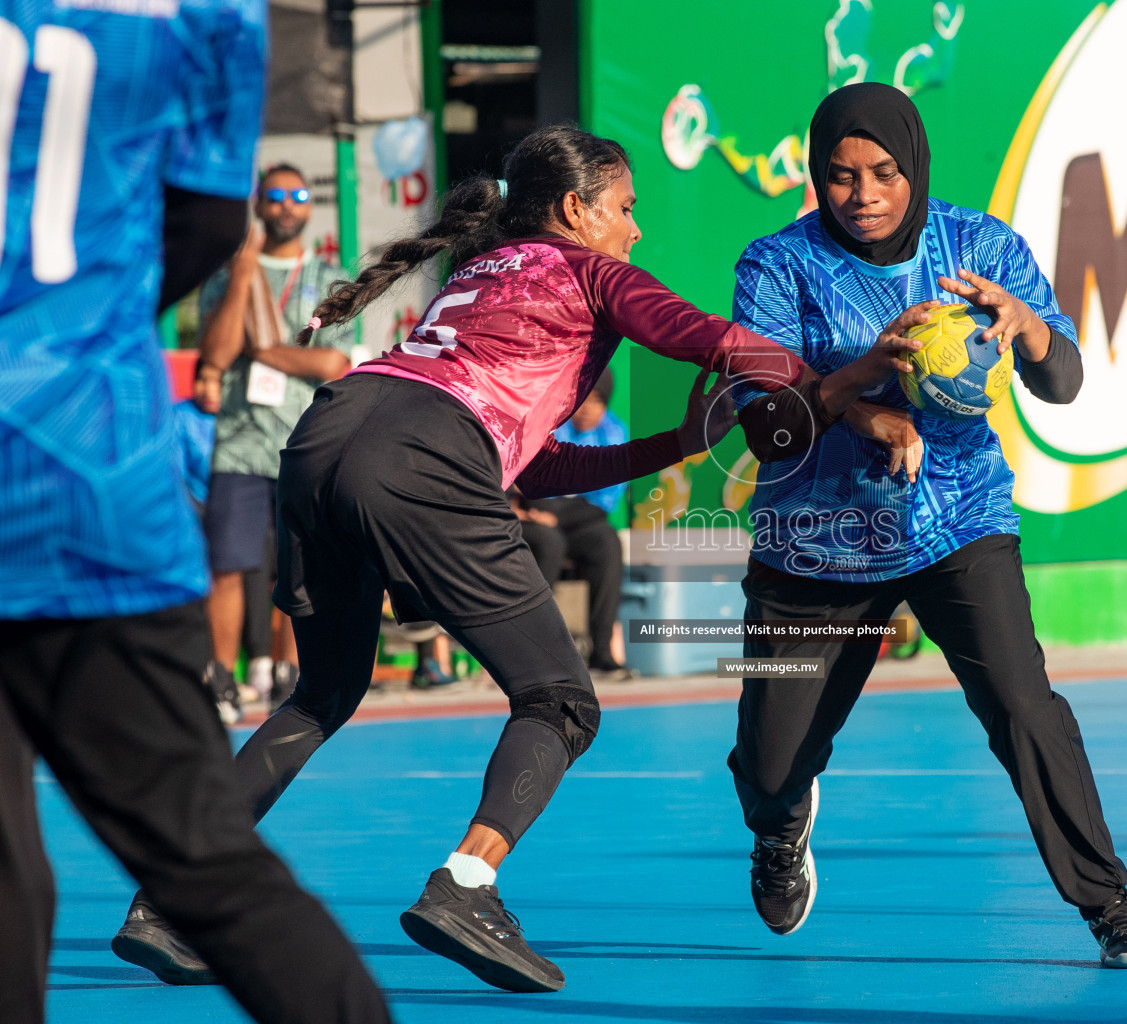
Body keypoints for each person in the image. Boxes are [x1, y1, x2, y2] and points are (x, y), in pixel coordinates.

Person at [112, 123, 916, 994]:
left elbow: (527, 460)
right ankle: (466, 886)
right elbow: (701, 336)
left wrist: (676, 442)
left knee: (322, 691)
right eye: (625, 208)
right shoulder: (590, 269)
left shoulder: (476, 278)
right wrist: (845, 381)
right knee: (561, 701)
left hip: (328, 433)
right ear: (577, 210)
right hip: (423, 453)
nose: (635, 229)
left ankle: (170, 897)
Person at [0, 0, 393, 1019]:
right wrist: (76, 325)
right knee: (205, 858)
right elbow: (208, 222)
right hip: (88, 463)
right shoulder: (213, 11)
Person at [726, 83, 1127, 969]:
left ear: (914, 167)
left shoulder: (979, 246)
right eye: (840, 176)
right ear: (817, 175)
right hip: (813, 541)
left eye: (884, 173)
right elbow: (764, 419)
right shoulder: (774, 266)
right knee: (770, 766)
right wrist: (863, 393)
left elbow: (1064, 382)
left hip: (956, 517)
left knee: (1024, 706)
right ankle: (780, 828)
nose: (863, 195)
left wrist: (1032, 332)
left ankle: (1111, 903)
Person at [196, 163, 353, 716]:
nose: (287, 204)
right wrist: (243, 273)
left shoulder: (330, 276)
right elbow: (214, 354)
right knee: (228, 563)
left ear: (310, 206)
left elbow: (333, 361)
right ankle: (220, 678)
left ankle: (291, 673)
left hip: (303, 441)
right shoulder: (226, 273)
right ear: (259, 204)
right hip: (239, 442)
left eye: (298, 193)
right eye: (276, 195)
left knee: (301, 565)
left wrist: (261, 350)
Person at [519, 366, 632, 674]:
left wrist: (555, 514)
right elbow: (530, 479)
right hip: (535, 516)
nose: (587, 408)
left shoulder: (615, 432)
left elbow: (603, 502)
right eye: (583, 399)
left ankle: (602, 651)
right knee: (548, 542)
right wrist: (546, 513)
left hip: (571, 518)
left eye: (597, 401)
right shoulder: (551, 423)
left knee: (607, 542)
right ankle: (537, 653)